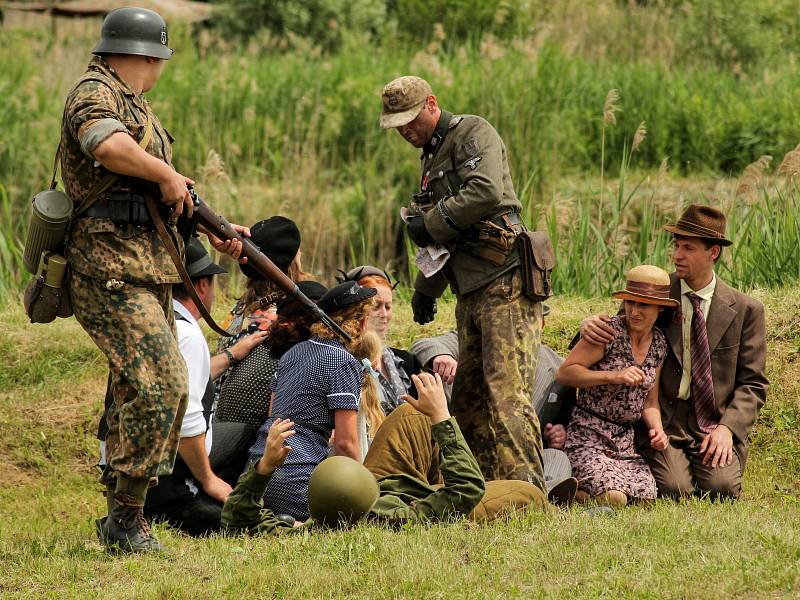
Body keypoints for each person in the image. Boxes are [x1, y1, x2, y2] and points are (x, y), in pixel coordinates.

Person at [62, 7, 247, 553]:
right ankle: (127, 517)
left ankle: (123, 510)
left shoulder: (134, 102)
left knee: (134, 386)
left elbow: (146, 195)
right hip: (107, 268)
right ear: (149, 54)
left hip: (146, 267)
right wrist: (165, 172)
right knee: (163, 381)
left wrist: (205, 224)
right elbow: (105, 146)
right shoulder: (95, 93)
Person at [379, 76, 545, 491]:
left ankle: (529, 493)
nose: (404, 130)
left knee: (507, 397)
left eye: (410, 120)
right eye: (397, 124)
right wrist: (425, 289)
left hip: (505, 282)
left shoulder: (472, 132)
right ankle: (479, 491)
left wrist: (430, 222)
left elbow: (485, 191)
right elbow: (445, 241)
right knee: (469, 402)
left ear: (431, 105)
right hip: (470, 290)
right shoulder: (430, 159)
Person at [580, 205, 768, 499]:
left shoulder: (746, 310)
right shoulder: (654, 293)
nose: (677, 255)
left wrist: (727, 430)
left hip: (714, 421)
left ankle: (717, 449)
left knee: (721, 490)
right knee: (673, 489)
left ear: (713, 252)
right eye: (676, 246)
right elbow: (616, 332)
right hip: (664, 418)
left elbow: (753, 384)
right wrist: (587, 325)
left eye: (688, 248)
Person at [221, 372, 488, 534]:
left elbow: (237, 520)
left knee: (411, 414)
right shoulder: (401, 521)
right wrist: (441, 416)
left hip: (389, 490)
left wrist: (265, 467)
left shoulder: (302, 533)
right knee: (525, 492)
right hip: (414, 498)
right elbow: (468, 488)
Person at [141, 239, 266, 535]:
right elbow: (186, 423)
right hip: (168, 486)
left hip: (138, 469)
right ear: (201, 287)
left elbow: (182, 379)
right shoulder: (188, 336)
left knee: (241, 431)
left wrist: (233, 353)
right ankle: (201, 492)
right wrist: (208, 479)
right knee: (248, 525)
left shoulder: (154, 323)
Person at [245, 282, 377, 521]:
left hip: (258, 477)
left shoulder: (291, 353)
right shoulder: (342, 361)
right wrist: (361, 492)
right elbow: (347, 444)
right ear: (361, 322)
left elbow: (273, 413)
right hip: (298, 483)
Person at [557, 266, 676, 507]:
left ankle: (580, 493)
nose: (634, 311)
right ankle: (574, 493)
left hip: (623, 441)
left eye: (643, 305)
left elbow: (650, 402)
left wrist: (657, 430)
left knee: (645, 500)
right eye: (630, 303)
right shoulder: (607, 332)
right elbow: (565, 373)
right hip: (588, 434)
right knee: (615, 498)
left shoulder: (659, 343)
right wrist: (614, 376)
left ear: (660, 308)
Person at [214, 216, 306, 427]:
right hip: (252, 427)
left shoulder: (239, 310)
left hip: (219, 418)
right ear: (292, 261)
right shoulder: (282, 316)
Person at [338, 266, 422, 414]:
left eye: (388, 307)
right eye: (376, 306)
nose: (384, 314)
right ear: (355, 309)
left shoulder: (404, 362)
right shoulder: (341, 361)